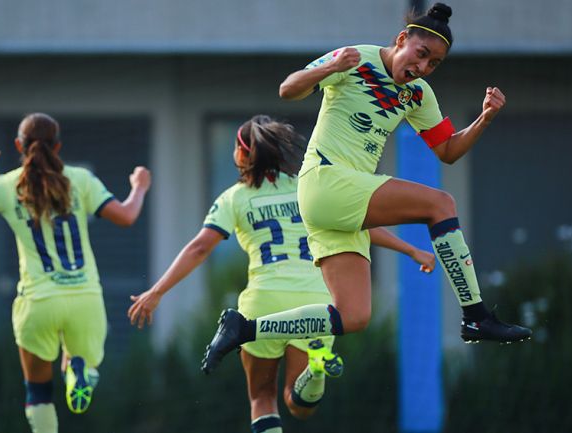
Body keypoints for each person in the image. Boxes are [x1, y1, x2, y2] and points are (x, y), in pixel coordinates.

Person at [201, 3, 532, 374]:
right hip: (326, 181)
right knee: (440, 203)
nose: (423, 67)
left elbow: (448, 151)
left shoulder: (418, 94)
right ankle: (475, 315)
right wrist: (331, 67)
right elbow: (287, 89)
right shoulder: (357, 59)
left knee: (353, 316)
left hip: (339, 204)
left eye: (434, 64)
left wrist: (484, 119)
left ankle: (243, 328)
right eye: (422, 54)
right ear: (402, 39)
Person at [128, 115, 434, 433]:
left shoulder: (234, 198)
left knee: (262, 398)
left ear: (244, 155)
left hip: (264, 301)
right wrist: (409, 249)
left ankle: (311, 372)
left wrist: (157, 291)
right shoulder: (308, 188)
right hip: (317, 302)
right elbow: (356, 223)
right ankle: (315, 371)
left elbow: (199, 249)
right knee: (299, 405)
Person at [0, 113, 151, 433]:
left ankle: (67, 384)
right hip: (85, 298)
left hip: (38, 302)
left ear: (18, 146)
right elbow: (126, 216)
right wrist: (139, 188)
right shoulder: (79, 179)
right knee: (87, 361)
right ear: (58, 146)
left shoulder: (5, 185)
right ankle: (80, 373)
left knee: (38, 392)